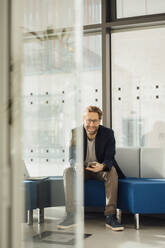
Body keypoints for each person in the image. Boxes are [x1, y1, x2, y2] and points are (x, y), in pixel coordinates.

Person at [57, 106, 125, 231]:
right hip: (82, 169)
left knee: (112, 170)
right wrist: (76, 165)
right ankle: (72, 215)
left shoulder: (108, 133)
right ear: (84, 119)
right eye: (88, 120)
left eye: (95, 121)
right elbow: (71, 157)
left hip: (101, 169)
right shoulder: (75, 133)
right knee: (68, 171)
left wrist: (103, 166)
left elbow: (110, 157)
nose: (91, 124)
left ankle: (110, 216)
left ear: (99, 121)